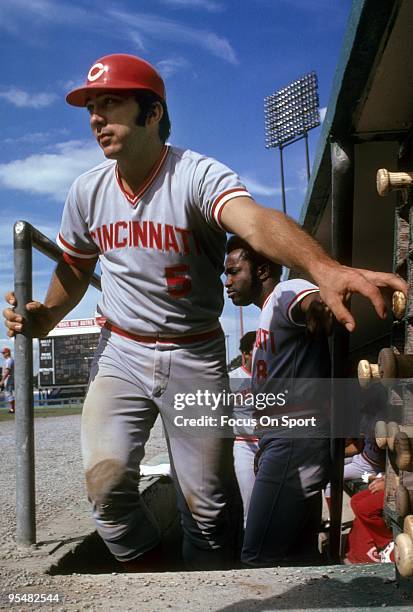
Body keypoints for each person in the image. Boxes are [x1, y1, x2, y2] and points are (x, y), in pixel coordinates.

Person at [2, 53, 406, 570]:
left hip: (193, 354)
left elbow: (256, 223)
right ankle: (155, 581)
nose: (96, 118)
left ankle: (201, 588)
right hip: (120, 349)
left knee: (209, 512)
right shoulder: (87, 190)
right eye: (91, 107)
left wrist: (322, 268)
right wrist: (45, 317)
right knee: (107, 494)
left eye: (111, 103)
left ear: (152, 113)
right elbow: (77, 269)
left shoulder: (195, 174)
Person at [225, 235, 335, 565]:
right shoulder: (265, 314)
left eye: (233, 271)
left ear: (261, 270)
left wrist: (319, 313)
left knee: (256, 556)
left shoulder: (284, 293)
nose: (227, 282)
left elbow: (313, 303)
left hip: (294, 438)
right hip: (285, 438)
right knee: (299, 556)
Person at [229, 331, 258, 527]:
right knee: (250, 505)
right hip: (244, 446)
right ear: (246, 354)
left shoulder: (274, 376)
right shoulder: (231, 378)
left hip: (271, 444)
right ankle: (250, 554)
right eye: (258, 350)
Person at [344, 474, 394, 564]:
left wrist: (390, 485)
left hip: (404, 488)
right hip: (398, 482)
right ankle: (360, 553)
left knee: (364, 509)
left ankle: (387, 542)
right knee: (355, 500)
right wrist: (384, 478)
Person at [1, 347, 15, 414]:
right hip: (8, 378)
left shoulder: (9, 360)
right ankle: (12, 408)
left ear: (7, 353)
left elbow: (7, 371)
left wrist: (2, 380)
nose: (3, 354)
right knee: (8, 393)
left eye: (4, 353)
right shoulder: (8, 360)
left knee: (8, 393)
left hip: (9, 378)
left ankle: (12, 409)